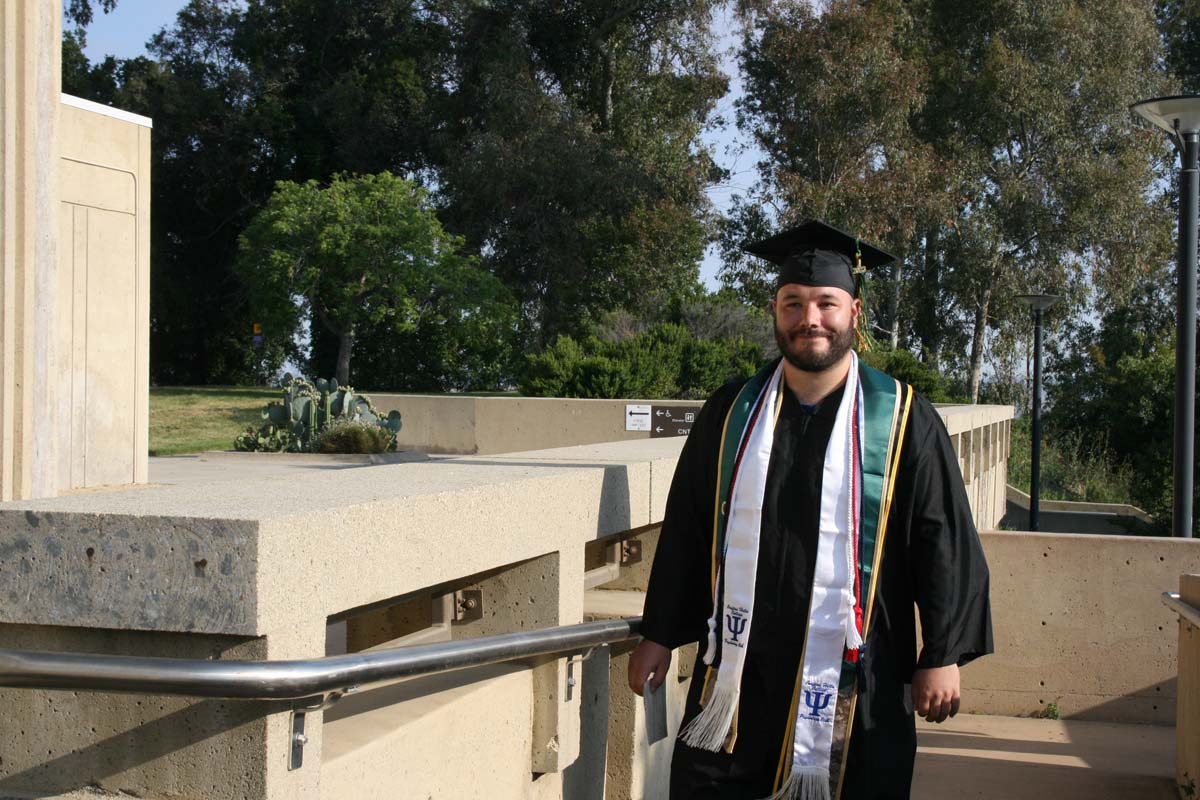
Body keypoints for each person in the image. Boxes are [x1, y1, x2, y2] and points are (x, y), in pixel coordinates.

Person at [627, 220, 992, 800]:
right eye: (793, 304)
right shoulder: (732, 414)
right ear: (775, 310)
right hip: (741, 673)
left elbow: (941, 537)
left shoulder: (901, 419)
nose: (810, 319)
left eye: (826, 303)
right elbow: (689, 528)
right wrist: (660, 633)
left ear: (854, 312)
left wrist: (942, 653)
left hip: (859, 672)